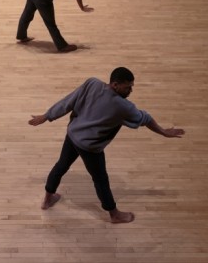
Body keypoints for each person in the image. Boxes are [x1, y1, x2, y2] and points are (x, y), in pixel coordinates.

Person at [29, 67, 185, 223]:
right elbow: (145, 119)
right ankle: (114, 214)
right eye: (127, 87)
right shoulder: (123, 106)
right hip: (90, 148)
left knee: (61, 166)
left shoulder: (92, 83)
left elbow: (68, 101)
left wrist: (47, 116)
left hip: (73, 135)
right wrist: (163, 132)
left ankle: (47, 199)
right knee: (100, 180)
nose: (131, 90)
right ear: (115, 85)